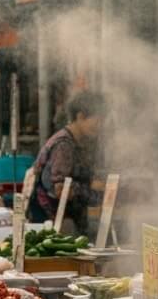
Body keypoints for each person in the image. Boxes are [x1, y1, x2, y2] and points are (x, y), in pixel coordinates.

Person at [28, 91, 105, 234]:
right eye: (97, 120)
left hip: (66, 220)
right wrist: (99, 197)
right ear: (80, 116)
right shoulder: (63, 145)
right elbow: (61, 189)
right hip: (53, 224)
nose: (100, 126)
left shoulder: (78, 141)